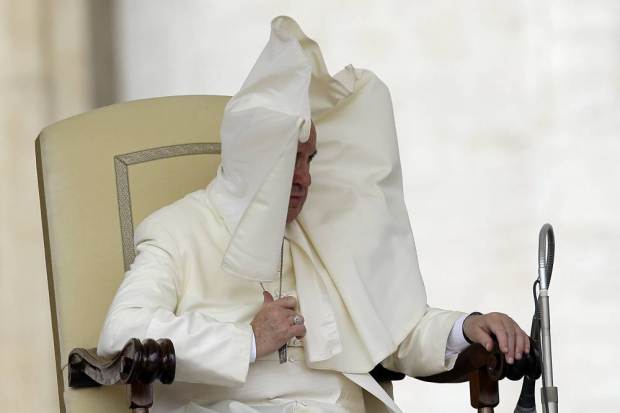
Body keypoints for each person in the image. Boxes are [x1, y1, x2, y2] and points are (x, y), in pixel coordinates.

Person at [97, 16, 529, 413]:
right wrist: (246, 341)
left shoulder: (318, 228)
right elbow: (122, 332)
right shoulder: (178, 231)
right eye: (291, 161)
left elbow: (395, 329)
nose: (304, 178)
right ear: (254, 160)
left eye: (311, 160)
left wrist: (468, 327)